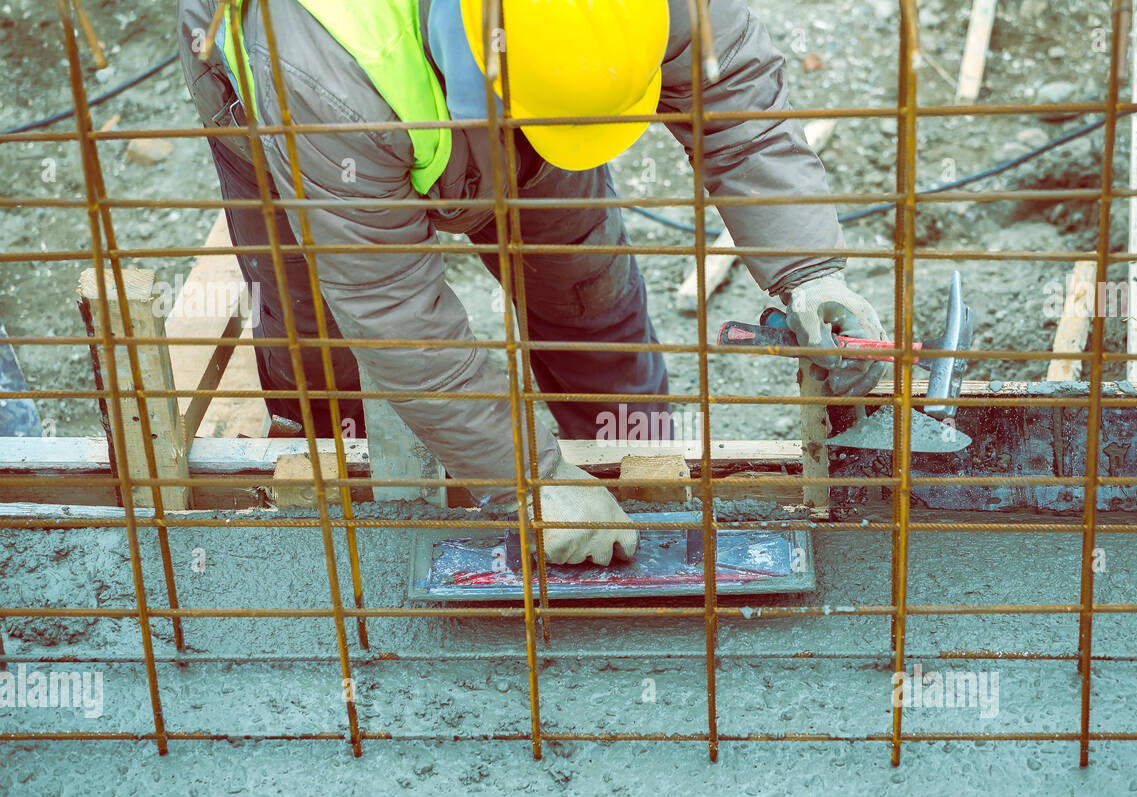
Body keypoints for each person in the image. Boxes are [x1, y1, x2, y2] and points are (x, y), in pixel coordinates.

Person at [176, 0, 885, 565]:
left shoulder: (620, 18)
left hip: (523, 88)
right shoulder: (323, 69)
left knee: (582, 286)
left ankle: (633, 479)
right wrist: (529, 482)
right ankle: (348, 504)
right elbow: (391, 305)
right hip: (293, 100)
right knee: (318, 321)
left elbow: (739, 102)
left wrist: (809, 271)